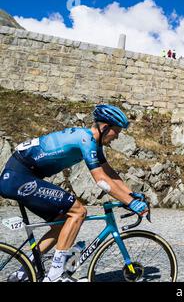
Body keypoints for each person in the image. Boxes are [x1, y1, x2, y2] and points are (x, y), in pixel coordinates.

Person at [0, 105, 149, 282]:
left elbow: (109, 173)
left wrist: (131, 195)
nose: (116, 137)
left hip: (23, 176)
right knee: (78, 212)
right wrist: (131, 203)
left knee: (60, 225)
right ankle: (55, 276)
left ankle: (24, 271)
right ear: (105, 128)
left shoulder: (91, 141)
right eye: (116, 132)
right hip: (19, 177)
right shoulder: (85, 139)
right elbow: (101, 180)